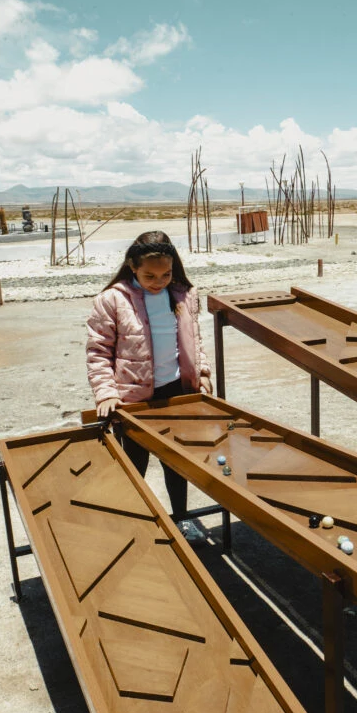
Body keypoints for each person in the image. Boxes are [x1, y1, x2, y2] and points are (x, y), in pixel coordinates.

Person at [86, 230, 212, 540]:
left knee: (176, 463)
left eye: (166, 274)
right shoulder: (112, 300)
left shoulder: (183, 294)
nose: (159, 281)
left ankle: (182, 520)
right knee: (134, 464)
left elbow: (194, 340)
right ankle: (134, 526)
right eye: (150, 276)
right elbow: (98, 351)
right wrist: (106, 392)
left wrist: (202, 373)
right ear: (132, 266)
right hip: (133, 398)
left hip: (176, 393)